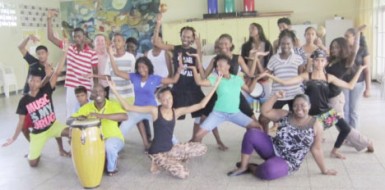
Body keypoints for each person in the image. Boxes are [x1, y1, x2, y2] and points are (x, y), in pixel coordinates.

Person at [258, 48, 374, 159]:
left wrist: (360, 70)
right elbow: (285, 82)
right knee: (306, 138)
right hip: (311, 116)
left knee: (345, 129)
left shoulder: (329, 77)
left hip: (326, 112)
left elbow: (350, 86)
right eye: (317, 60)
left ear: (325, 62)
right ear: (313, 61)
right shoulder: (306, 76)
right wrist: (269, 75)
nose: (319, 63)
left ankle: (335, 150)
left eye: (322, 60)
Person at [107, 72, 221, 179]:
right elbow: (128, 107)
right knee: (184, 174)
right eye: (165, 99)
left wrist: (215, 86)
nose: (168, 101)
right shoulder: (154, 111)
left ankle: (172, 158)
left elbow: (201, 105)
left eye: (170, 98)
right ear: (159, 100)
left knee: (202, 148)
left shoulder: (176, 112)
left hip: (171, 149)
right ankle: (156, 160)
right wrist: (114, 89)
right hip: (158, 152)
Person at [227, 92, 337, 179]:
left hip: (289, 161)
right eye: (295, 105)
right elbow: (265, 111)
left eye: (303, 105)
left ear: (309, 106)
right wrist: (275, 96)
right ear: (292, 107)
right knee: (251, 133)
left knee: (268, 171)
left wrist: (324, 170)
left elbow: (316, 149)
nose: (299, 108)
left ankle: (252, 167)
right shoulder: (285, 115)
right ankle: (243, 167)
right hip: (272, 148)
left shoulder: (316, 125)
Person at [2, 42, 70, 167]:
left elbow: (57, 72)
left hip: (53, 125)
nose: (34, 83)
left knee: (73, 133)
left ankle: (61, 149)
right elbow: (21, 123)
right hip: (39, 132)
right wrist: (13, 138)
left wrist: (65, 52)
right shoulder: (24, 100)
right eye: (31, 80)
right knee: (33, 163)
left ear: (41, 82)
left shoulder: (46, 90)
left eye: (37, 81)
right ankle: (35, 150)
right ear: (28, 81)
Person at [109, 46, 183, 150]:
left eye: (144, 67)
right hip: (136, 110)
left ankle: (179, 146)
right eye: (139, 67)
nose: (141, 69)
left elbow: (174, 80)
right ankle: (111, 149)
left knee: (164, 128)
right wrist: (111, 55)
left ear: (148, 67)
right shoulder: (134, 76)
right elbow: (116, 72)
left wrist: (179, 70)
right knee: (121, 130)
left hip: (151, 111)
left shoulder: (155, 78)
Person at [202, 33, 267, 150]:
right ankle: (218, 141)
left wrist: (255, 58)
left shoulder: (238, 58)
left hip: (235, 93)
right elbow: (204, 76)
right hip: (219, 93)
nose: (223, 45)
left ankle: (255, 143)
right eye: (221, 43)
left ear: (231, 44)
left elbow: (250, 74)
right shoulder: (215, 59)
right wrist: (197, 59)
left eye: (226, 43)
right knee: (204, 118)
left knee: (253, 119)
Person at [153, 13, 206, 143]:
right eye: (184, 36)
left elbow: (201, 71)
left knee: (202, 114)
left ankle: (195, 139)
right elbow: (156, 42)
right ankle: (169, 139)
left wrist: (199, 47)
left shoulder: (196, 52)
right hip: (178, 89)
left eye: (189, 36)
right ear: (180, 36)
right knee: (170, 115)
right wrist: (158, 23)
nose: (186, 38)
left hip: (194, 89)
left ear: (193, 38)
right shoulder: (175, 48)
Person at [191, 54, 263, 143]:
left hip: (235, 113)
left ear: (228, 66)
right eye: (216, 66)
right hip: (218, 113)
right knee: (197, 135)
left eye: (220, 66)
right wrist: (194, 69)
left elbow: (249, 90)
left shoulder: (237, 79)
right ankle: (193, 152)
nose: (218, 68)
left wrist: (255, 80)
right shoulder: (216, 79)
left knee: (258, 127)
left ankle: (263, 147)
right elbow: (199, 82)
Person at [17, 34, 69, 157]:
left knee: (52, 123)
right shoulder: (33, 62)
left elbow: (50, 81)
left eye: (42, 53)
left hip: (43, 100)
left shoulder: (49, 68)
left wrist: (49, 74)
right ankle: (33, 148)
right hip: (28, 101)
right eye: (38, 53)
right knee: (24, 128)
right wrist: (29, 37)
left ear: (47, 54)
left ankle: (61, 149)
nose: (40, 55)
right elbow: (20, 47)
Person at [47, 9, 98, 118]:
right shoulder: (69, 48)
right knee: (71, 114)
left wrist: (95, 88)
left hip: (86, 86)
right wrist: (49, 19)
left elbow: (95, 72)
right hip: (71, 86)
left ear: (83, 36)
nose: (76, 39)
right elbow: (50, 38)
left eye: (79, 36)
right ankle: (73, 133)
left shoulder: (92, 53)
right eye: (74, 36)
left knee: (87, 113)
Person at [69, 84, 128, 176]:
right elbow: (70, 119)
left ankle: (112, 169)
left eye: (100, 91)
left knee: (109, 145)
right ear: (91, 95)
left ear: (105, 93)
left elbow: (124, 116)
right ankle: (103, 160)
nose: (98, 93)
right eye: (95, 92)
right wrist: (81, 117)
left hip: (114, 138)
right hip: (94, 140)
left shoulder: (112, 105)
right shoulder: (87, 107)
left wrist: (100, 116)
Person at [258, 29, 304, 132]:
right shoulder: (274, 59)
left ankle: (295, 140)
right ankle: (265, 139)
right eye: (283, 43)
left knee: (297, 120)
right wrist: (257, 60)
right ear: (279, 44)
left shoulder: (298, 59)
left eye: (288, 43)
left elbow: (301, 77)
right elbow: (265, 76)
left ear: (292, 43)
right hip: (277, 94)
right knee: (263, 118)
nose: (285, 46)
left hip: (294, 95)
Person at [342, 28, 371, 129]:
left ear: (355, 38)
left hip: (358, 84)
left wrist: (368, 88)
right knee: (344, 109)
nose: (345, 38)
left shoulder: (363, 50)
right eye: (344, 36)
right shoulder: (342, 49)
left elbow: (367, 70)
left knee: (354, 110)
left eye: (347, 36)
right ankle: (346, 134)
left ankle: (354, 135)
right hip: (344, 83)